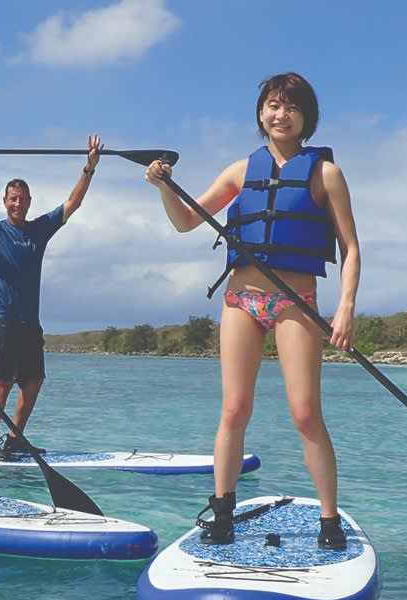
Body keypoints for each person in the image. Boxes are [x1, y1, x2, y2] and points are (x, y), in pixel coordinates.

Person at [143, 72, 360, 550]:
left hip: (294, 303)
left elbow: (351, 248)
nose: (281, 115)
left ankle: (329, 520)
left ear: (307, 118)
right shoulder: (240, 172)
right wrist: (164, 187)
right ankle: (223, 511)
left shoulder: (325, 174)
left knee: (305, 414)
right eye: (273, 106)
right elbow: (185, 221)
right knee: (234, 408)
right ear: (261, 113)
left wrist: (345, 308)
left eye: (292, 107)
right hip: (241, 301)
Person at [0, 133, 103, 461]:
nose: (17, 203)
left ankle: (14, 440)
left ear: (29, 201)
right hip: (4, 320)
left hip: (30, 322)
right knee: (4, 381)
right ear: (4, 201)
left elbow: (73, 203)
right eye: (13, 198)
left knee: (34, 381)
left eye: (22, 199)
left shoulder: (39, 229)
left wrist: (89, 167)